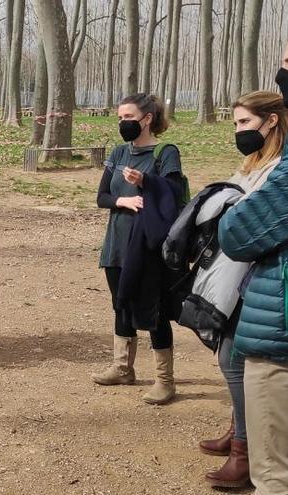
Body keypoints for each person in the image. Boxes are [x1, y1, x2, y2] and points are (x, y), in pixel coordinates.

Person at [218, 26, 288, 495]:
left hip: (287, 335)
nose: (284, 74)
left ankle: (242, 447)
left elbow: (237, 232)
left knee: (279, 479)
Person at [195, 91, 288, 489]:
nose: (239, 131)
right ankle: (239, 430)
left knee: (232, 359)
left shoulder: (284, 166)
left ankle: (246, 452)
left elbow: (255, 220)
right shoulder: (254, 162)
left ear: (271, 121)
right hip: (236, 274)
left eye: (245, 123)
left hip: (261, 277)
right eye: (236, 123)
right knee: (229, 354)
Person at [91, 93, 184, 405]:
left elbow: (173, 192)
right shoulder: (118, 153)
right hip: (116, 244)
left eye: (128, 117)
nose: (122, 123)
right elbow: (102, 196)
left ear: (147, 119)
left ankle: (165, 381)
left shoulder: (165, 152)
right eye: (119, 118)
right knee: (121, 305)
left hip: (147, 246)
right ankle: (122, 368)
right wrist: (123, 200)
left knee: (153, 310)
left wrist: (145, 181)